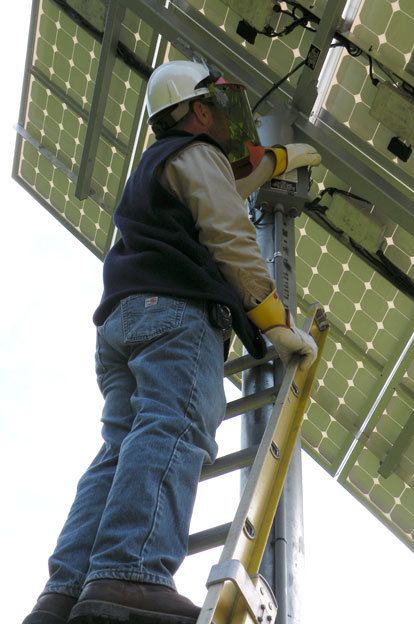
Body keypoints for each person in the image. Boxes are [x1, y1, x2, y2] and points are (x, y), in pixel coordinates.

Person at [23, 60, 321, 624]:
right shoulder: (199, 156)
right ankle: (130, 575)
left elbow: (232, 186)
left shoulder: (165, 162)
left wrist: (280, 160)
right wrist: (273, 318)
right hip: (176, 316)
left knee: (118, 452)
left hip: (122, 323)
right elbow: (231, 230)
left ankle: (63, 595)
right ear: (201, 110)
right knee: (174, 426)